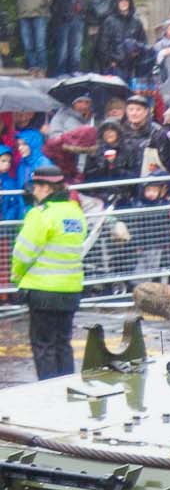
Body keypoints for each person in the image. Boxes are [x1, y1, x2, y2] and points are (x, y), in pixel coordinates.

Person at [11, 161, 85, 378]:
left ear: (46, 188)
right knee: (63, 342)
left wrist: (18, 277)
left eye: (35, 187)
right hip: (71, 289)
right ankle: (66, 389)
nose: (33, 191)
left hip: (43, 290)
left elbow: (23, 253)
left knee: (44, 346)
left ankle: (48, 394)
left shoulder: (40, 214)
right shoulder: (75, 212)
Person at [97, 0, 148, 84]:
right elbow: (103, 44)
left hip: (131, 65)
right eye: (121, 1)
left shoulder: (136, 22)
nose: (124, 4)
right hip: (115, 65)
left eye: (126, 1)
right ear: (117, 3)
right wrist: (109, 62)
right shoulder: (109, 21)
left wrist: (137, 53)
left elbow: (142, 41)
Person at [15, 0, 52, 75]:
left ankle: (42, 69)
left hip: (39, 12)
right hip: (24, 12)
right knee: (28, 44)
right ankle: (33, 68)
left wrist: (42, 1)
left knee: (40, 44)